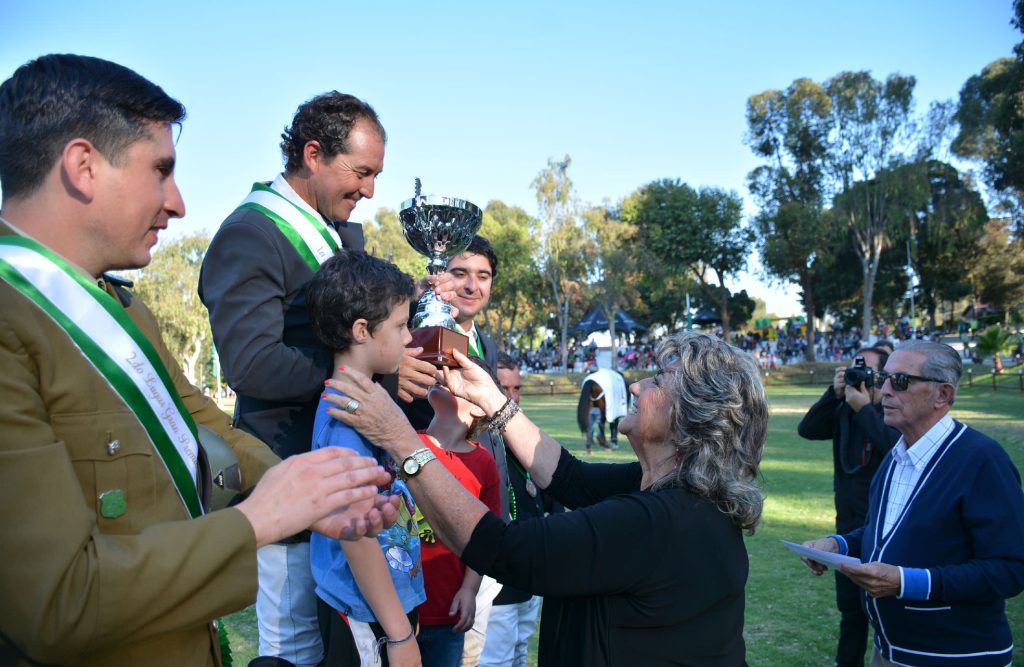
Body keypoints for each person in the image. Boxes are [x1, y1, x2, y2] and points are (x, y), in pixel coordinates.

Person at [0, 54, 395, 667]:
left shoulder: (123, 310)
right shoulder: (13, 324)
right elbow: (61, 602)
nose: (178, 203)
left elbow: (199, 421)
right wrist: (259, 520)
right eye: (161, 171)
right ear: (83, 167)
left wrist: (320, 492)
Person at [326, 331, 767, 667]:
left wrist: (403, 443)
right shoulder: (671, 489)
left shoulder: (659, 521)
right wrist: (493, 400)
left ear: (693, 414)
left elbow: (503, 549)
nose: (635, 387)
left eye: (658, 381)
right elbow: (569, 477)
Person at [199, 92, 448, 667]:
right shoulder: (250, 235)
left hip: (351, 483)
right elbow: (251, 362)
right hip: (290, 473)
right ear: (313, 154)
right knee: (296, 652)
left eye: (376, 175)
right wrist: (371, 375)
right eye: (361, 172)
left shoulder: (334, 229)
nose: (370, 190)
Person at [802, 341, 1024, 667]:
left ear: (942, 395)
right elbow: (886, 532)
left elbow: (1010, 569)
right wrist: (838, 544)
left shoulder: (982, 460)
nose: (885, 391)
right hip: (889, 650)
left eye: (901, 381)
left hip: (955, 656)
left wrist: (907, 582)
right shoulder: (897, 456)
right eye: (884, 379)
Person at [305, 251, 424, 667]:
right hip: (367, 615)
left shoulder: (367, 403)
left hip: (382, 610)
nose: (409, 338)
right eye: (400, 326)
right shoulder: (345, 417)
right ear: (361, 331)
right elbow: (357, 536)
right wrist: (399, 634)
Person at [797, 347, 900, 667]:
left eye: (866, 371)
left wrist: (865, 409)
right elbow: (807, 429)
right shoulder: (844, 408)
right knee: (851, 615)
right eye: (854, 369)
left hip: (887, 534)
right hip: (846, 530)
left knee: (890, 615)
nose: (859, 377)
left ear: (882, 378)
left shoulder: (892, 414)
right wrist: (834, 393)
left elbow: (892, 447)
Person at [415, 380, 501, 667]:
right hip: (396, 612)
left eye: (456, 376)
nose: (443, 377)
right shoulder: (404, 443)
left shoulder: (484, 463)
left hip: (447, 613)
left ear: (479, 407)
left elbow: (485, 538)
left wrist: (470, 589)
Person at [478, 354, 548, 667]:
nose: (512, 397)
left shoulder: (527, 438)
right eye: (503, 388)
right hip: (497, 579)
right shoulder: (479, 445)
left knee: (520, 652)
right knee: (497, 660)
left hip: (530, 574)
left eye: (516, 388)